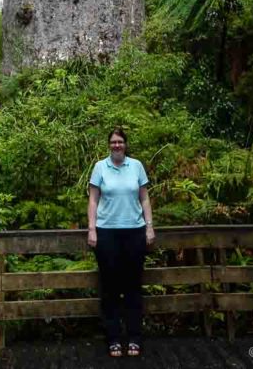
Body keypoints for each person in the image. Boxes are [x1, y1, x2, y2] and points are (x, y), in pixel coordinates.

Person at [87, 127, 155, 358]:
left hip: (134, 232)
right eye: (113, 142)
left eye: (120, 142)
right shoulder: (99, 167)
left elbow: (144, 197)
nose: (117, 145)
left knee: (133, 286)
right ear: (109, 145)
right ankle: (114, 338)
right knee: (110, 287)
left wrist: (149, 226)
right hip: (107, 233)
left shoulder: (136, 166)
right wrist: (92, 229)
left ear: (126, 144)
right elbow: (93, 200)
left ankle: (134, 337)